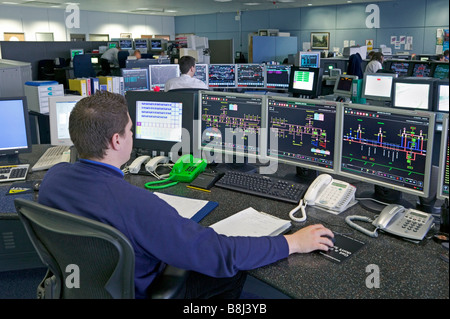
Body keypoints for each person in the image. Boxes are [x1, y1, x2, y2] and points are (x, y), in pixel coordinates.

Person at [37, 91, 334, 299]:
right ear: (117, 141)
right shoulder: (137, 204)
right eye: (130, 130)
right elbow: (219, 255)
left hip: (88, 284)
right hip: (143, 290)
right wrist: (292, 242)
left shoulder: (53, 179)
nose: (132, 135)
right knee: (232, 270)